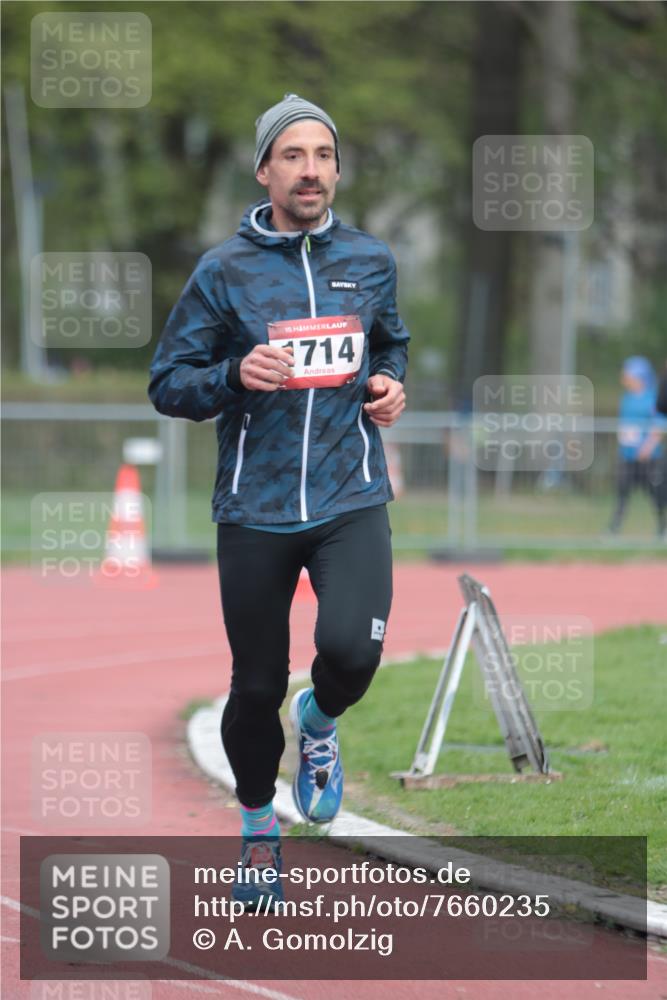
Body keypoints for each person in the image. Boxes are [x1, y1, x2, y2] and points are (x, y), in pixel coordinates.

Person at [148, 94, 409, 908]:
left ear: (335, 169)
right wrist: (231, 376)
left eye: (322, 154)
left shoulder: (370, 260)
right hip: (254, 509)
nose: (309, 169)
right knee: (254, 686)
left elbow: (390, 343)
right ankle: (260, 827)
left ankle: (321, 724)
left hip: (349, 496)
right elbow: (168, 385)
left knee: (353, 653)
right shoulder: (222, 271)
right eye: (292, 155)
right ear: (264, 170)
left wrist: (392, 384)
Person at [608, 356, 666, 539]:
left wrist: (648, 447)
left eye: (628, 374)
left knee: (656, 496)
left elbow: (660, 424)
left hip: (649, 458)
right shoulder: (627, 398)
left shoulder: (652, 398)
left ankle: (662, 528)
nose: (624, 377)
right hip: (627, 456)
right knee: (622, 493)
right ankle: (613, 529)